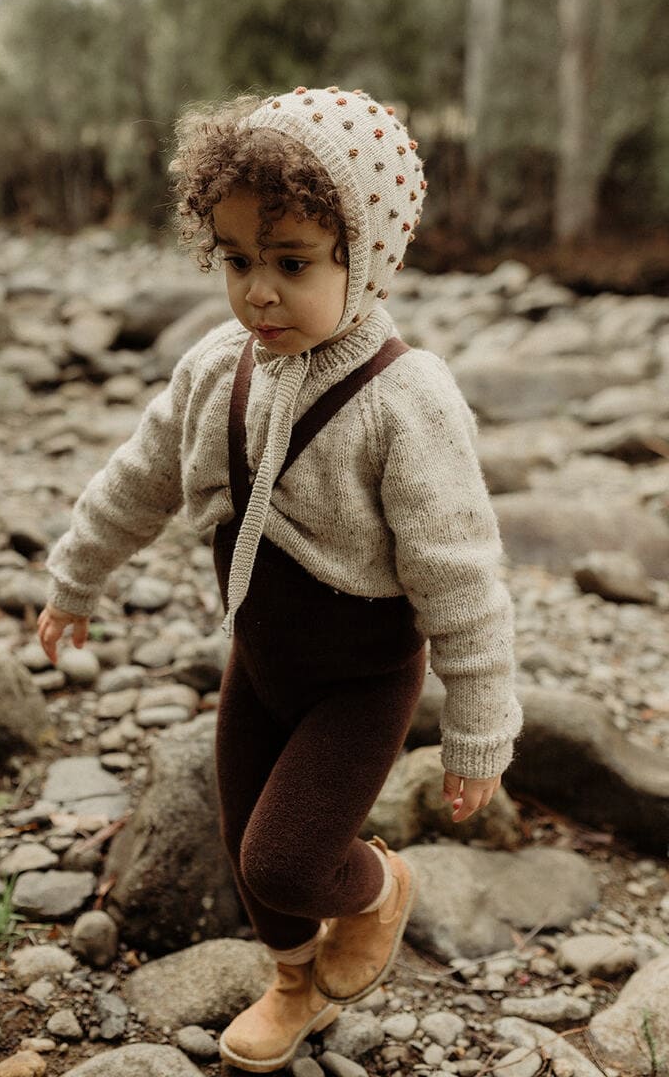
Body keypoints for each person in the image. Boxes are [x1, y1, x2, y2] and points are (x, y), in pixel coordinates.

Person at [37, 85, 523, 1074]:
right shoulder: (217, 366)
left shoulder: (405, 400)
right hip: (258, 662)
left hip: (359, 680)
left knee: (288, 859)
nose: (257, 291)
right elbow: (140, 477)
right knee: (244, 846)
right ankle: (294, 985)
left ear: (367, 258)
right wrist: (75, 575)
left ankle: (380, 889)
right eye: (236, 261)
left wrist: (478, 724)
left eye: (292, 263)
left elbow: (461, 575)